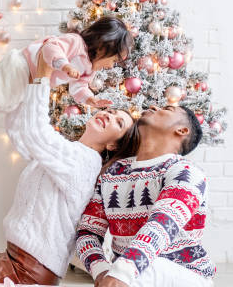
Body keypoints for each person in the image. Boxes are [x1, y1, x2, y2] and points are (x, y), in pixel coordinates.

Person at [0, 78, 135, 285]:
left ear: (113, 145)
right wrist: (19, 89)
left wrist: (40, 77)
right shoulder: (69, 153)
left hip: (26, 270)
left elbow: (35, 132)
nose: (109, 116)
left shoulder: (83, 161)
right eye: (111, 112)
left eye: (118, 122)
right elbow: (23, 135)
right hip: (13, 259)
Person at [76, 105, 215, 287]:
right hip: (132, 276)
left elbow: (162, 225)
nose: (153, 106)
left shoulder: (186, 173)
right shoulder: (113, 173)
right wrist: (101, 271)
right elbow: (88, 231)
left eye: (167, 108)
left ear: (181, 130)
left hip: (183, 274)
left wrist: (121, 273)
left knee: (147, 267)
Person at [0, 16, 133, 148]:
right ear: (104, 46)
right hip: (21, 65)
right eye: (114, 60)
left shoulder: (90, 69)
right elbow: (50, 47)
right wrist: (63, 65)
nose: (111, 66)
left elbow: (79, 87)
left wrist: (89, 99)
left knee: (12, 109)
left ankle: (24, 147)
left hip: (32, 83)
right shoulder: (76, 42)